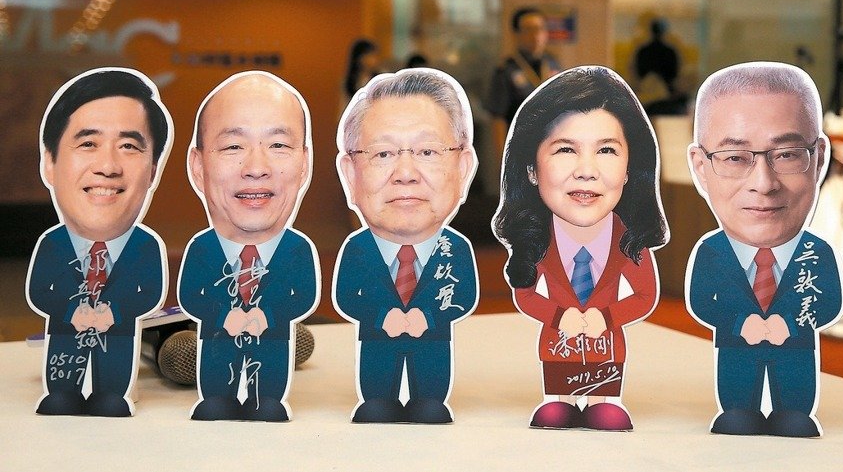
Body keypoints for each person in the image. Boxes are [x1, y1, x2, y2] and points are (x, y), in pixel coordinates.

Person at [492, 66, 667, 431]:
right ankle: (561, 401)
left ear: (630, 168)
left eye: (606, 150)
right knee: (557, 401)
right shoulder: (534, 239)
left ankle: (603, 403)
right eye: (566, 149)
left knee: (605, 403)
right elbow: (526, 295)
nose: (586, 171)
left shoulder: (630, 241)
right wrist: (559, 317)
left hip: (607, 344)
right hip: (559, 342)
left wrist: (608, 318)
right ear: (531, 169)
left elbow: (645, 296)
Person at [685, 62, 843, 438]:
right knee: (738, 391)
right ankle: (739, 410)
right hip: (736, 349)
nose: (764, 183)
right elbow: (703, 302)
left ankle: (794, 412)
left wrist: (790, 324)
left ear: (819, 158)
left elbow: (829, 302)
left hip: (796, 350)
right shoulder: (712, 252)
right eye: (735, 158)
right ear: (700, 167)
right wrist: (741, 324)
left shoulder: (816, 252)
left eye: (787, 154)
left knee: (795, 392)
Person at [333, 68, 479, 424]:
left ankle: (428, 400)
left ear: (463, 168)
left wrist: (426, 316)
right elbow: (347, 295)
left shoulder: (455, 248)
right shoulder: (357, 249)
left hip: (432, 344)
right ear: (350, 174)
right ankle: (377, 400)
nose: (406, 173)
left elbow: (463, 296)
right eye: (382, 154)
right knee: (377, 380)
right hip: (376, 343)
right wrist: (382, 316)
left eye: (428, 151)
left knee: (430, 382)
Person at [27, 67, 172, 417]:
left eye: (128, 146)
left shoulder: (146, 246)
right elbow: (39, 291)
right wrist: (69, 312)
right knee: (63, 375)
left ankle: (111, 394)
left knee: (114, 371)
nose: (108, 166)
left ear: (153, 170)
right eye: (88, 143)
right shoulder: (51, 244)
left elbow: (150, 292)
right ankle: (63, 393)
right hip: (65, 334)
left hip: (118, 335)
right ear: (49, 163)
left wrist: (115, 313)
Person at [178, 70, 320, 422]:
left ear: (304, 164)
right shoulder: (201, 249)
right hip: (216, 345)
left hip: (273, 346)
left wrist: (268, 315)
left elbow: (302, 295)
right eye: (233, 146)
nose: (257, 168)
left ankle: (267, 399)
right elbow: (192, 295)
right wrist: (221, 316)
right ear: (198, 167)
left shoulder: (298, 250)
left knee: (269, 380)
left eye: (278, 145)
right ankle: (217, 399)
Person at [486, 7, 562, 156]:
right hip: (521, 150)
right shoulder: (506, 71)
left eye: (540, 28)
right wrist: (503, 159)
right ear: (516, 35)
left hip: (551, 147)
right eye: (529, 29)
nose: (536, 35)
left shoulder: (553, 65)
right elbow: (498, 120)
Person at [631, 17, 683, 113]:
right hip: (665, 98)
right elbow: (673, 74)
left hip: (647, 96)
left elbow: (639, 72)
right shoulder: (669, 52)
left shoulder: (643, 51)